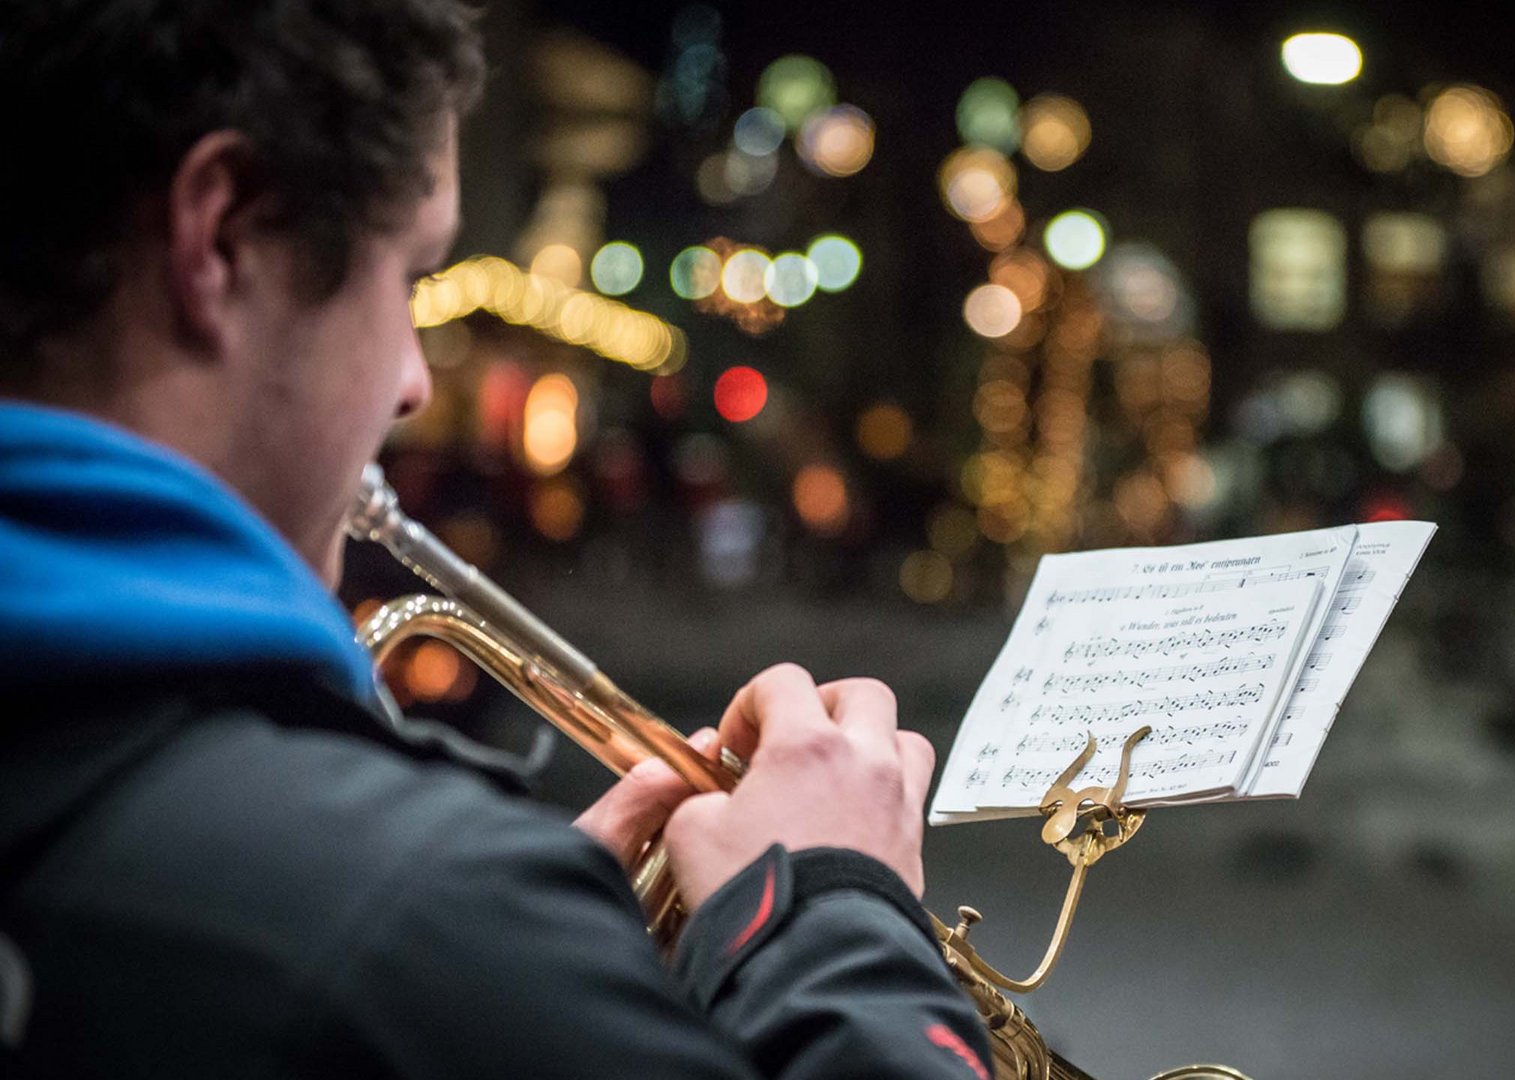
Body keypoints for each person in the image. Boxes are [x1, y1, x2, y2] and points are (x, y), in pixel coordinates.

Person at [0, 2, 994, 1077]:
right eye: (411, 278)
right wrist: (834, 913)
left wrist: (542, 966)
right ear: (224, 235)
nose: (417, 382)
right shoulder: (403, 922)